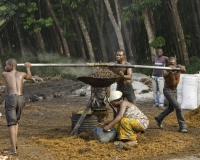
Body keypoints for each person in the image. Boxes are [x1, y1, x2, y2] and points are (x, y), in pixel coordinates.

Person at [2, 58, 32, 155]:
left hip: (11, 98)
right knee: (16, 122)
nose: (5, 67)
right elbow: (30, 77)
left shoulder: (5, 74)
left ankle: (13, 150)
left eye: (6, 65)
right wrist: (28, 67)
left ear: (11, 66)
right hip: (21, 98)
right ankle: (14, 145)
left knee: (11, 123)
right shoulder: (22, 73)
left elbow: (8, 77)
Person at [154, 57, 187, 133]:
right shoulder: (166, 69)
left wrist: (182, 68)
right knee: (178, 107)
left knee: (171, 108)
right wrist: (170, 70)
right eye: (169, 64)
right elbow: (165, 75)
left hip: (175, 91)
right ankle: (183, 126)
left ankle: (159, 118)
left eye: (172, 64)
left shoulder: (178, 67)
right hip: (167, 91)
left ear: (175, 63)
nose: (171, 66)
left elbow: (184, 69)